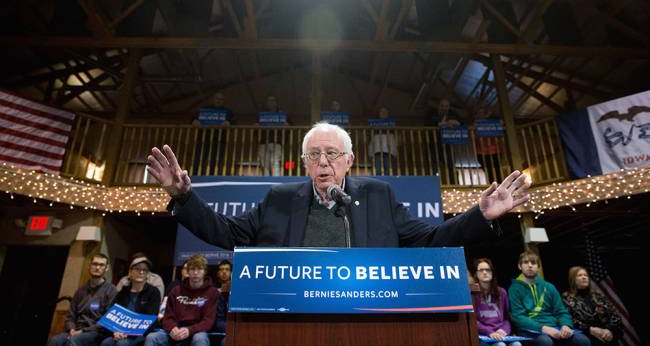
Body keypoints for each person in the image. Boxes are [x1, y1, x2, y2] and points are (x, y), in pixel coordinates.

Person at [147, 122, 530, 250]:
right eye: (314, 155)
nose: (324, 162)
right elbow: (226, 233)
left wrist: (481, 214)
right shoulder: (279, 200)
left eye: (332, 153)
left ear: (349, 160)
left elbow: (431, 241)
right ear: (304, 163)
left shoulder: (378, 195)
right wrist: (184, 197)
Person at [509, 251, 591, 346]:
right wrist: (543, 328)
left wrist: (565, 325)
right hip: (530, 330)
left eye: (533, 263)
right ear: (520, 266)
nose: (530, 265)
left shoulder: (549, 287)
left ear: (538, 267)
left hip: (555, 327)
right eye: (526, 262)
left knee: (582, 340)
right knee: (545, 341)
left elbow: (561, 311)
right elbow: (518, 317)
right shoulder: (514, 289)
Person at [144, 255, 218, 346]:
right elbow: (168, 317)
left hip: (197, 332)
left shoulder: (212, 292)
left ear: (205, 272)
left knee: (200, 339)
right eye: (192, 269)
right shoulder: (176, 291)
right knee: (152, 337)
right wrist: (172, 328)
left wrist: (189, 330)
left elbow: (208, 321)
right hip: (176, 331)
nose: (195, 272)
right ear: (187, 271)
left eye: (199, 269)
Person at [48, 254, 117, 346]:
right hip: (76, 330)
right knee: (55, 341)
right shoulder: (80, 291)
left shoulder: (111, 290)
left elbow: (108, 319)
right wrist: (71, 329)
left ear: (106, 268)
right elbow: (70, 316)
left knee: (72, 342)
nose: (97, 267)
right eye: (95, 264)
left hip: (96, 332)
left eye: (101, 265)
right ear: (89, 266)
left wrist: (83, 331)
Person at [100, 257, 161, 346]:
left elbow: (150, 319)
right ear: (130, 272)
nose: (141, 272)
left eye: (145, 270)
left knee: (122, 344)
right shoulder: (123, 292)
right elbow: (111, 314)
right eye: (137, 269)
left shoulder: (153, 292)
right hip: (119, 332)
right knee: (106, 343)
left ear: (147, 274)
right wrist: (114, 331)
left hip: (140, 334)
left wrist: (127, 333)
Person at [562, 266, 622, 346]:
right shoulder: (567, 298)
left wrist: (610, 330)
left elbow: (615, 316)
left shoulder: (598, 296)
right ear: (573, 279)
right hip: (587, 336)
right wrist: (590, 330)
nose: (584, 277)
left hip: (607, 335)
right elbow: (570, 320)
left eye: (586, 275)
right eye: (580, 275)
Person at [472, 258, 522, 346]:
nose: (484, 272)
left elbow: (507, 318)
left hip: (500, 332)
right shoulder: (472, 294)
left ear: (492, 272)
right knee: (500, 345)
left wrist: (504, 330)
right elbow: (473, 321)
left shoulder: (502, 292)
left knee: (517, 344)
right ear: (476, 274)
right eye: (481, 270)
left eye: (487, 270)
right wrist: (489, 332)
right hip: (483, 335)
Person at [192, 91, 235, 175]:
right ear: (213, 99)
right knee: (199, 159)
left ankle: (212, 176)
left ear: (224, 101)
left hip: (218, 140)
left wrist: (229, 122)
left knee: (215, 160)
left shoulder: (227, 112)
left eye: (221, 99)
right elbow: (193, 118)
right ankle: (195, 175)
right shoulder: (205, 110)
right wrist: (194, 121)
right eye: (217, 98)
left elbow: (234, 121)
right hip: (203, 139)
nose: (219, 100)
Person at [429, 98, 460, 184]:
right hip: (434, 144)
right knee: (434, 166)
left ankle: (454, 184)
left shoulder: (452, 114)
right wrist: (441, 124)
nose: (444, 108)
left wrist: (456, 122)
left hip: (448, 145)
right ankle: (434, 184)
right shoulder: (432, 114)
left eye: (446, 106)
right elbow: (428, 123)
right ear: (438, 106)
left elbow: (461, 122)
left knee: (451, 165)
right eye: (442, 106)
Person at [257, 95, 287, 176]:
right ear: (266, 103)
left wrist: (287, 125)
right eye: (269, 101)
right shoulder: (261, 114)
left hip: (276, 142)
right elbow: (255, 125)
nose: (271, 102)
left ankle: (276, 180)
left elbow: (290, 125)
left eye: (273, 101)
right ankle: (266, 181)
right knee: (264, 163)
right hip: (263, 142)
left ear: (276, 103)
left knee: (275, 161)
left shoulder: (282, 114)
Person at [368, 106, 397, 175]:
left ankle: (389, 180)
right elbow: (371, 139)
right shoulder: (373, 124)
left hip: (388, 149)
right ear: (378, 113)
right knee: (377, 167)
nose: (383, 113)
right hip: (377, 149)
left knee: (388, 167)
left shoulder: (392, 124)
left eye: (385, 112)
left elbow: (394, 138)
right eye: (382, 112)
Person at [214, 260, 232, 343]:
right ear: (217, 273)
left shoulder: (237, 289)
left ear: (231, 272)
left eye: (227, 269)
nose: (224, 272)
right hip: (216, 326)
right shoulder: (211, 289)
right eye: (221, 269)